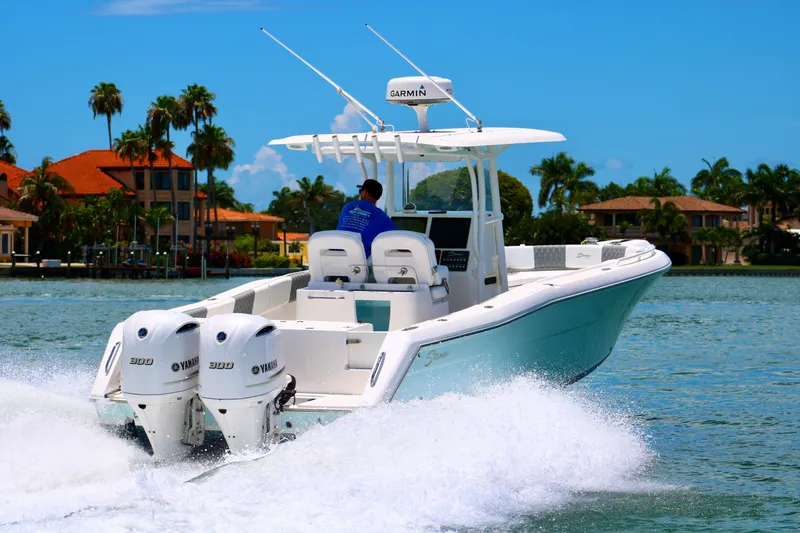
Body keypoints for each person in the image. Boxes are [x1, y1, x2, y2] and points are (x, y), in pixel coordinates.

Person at [337, 178, 396, 258]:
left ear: (364, 193)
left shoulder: (347, 207)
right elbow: (396, 239)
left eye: (360, 191)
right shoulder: (381, 217)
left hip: (335, 254)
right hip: (358, 261)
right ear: (378, 197)